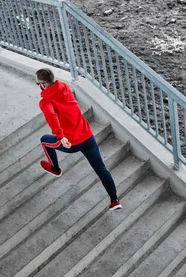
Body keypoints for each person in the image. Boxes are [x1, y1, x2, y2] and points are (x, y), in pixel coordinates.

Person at [36, 68, 122, 211]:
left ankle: (55, 169)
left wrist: (61, 136)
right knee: (101, 169)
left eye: (37, 83)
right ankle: (115, 201)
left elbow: (52, 117)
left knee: (45, 140)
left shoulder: (45, 102)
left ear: (43, 84)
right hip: (87, 136)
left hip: (71, 142)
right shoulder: (65, 87)